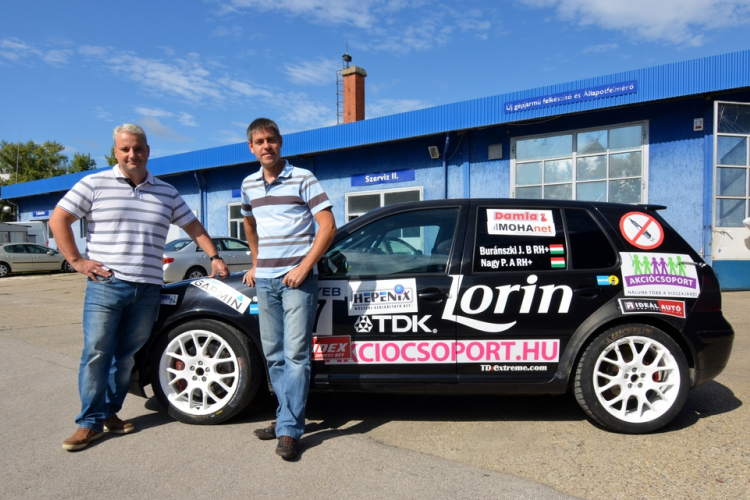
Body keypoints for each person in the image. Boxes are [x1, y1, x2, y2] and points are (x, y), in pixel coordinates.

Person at [50, 124, 229, 451]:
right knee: (97, 353)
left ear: (148, 151)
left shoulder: (166, 192)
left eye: (138, 148)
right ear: (115, 152)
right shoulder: (94, 184)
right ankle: (88, 422)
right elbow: (58, 219)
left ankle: (110, 413)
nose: (132, 154)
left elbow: (193, 226)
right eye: (125, 149)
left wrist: (214, 257)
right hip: (106, 285)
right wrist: (76, 260)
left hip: (148, 288)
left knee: (126, 357)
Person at [241, 118, 336, 460]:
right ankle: (286, 418)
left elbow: (328, 226)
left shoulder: (303, 178)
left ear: (280, 142)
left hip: (297, 280)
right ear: (251, 148)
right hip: (266, 281)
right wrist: (255, 262)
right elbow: (249, 224)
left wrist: (304, 267)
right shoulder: (248, 184)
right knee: (274, 355)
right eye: (259, 142)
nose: (266, 146)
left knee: (296, 355)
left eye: (271, 140)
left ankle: (290, 430)